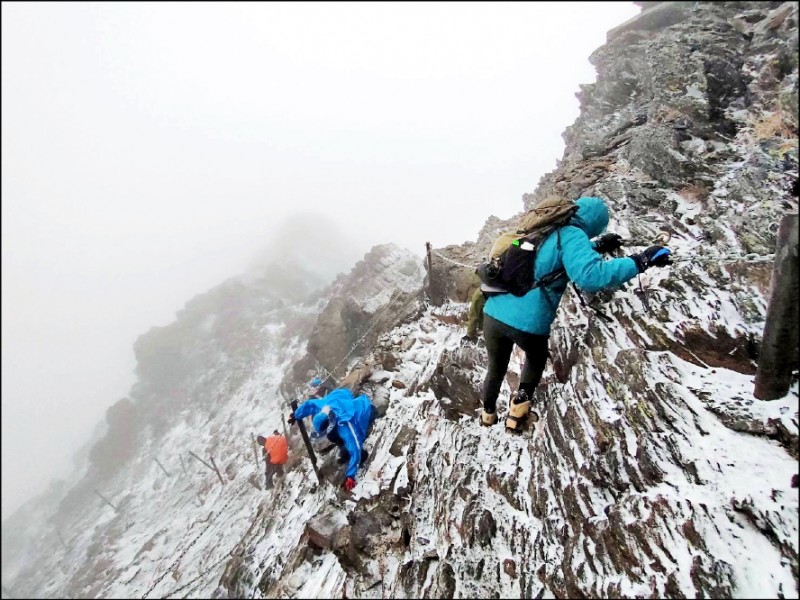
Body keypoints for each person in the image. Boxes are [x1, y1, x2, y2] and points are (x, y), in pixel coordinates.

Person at [479, 195, 672, 432]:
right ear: (594, 222)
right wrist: (640, 260)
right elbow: (591, 276)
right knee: (536, 358)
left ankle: (488, 415)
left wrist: (597, 245)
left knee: (495, 366)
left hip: (493, 313)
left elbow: (550, 256)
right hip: (527, 323)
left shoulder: (545, 230)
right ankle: (517, 411)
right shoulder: (572, 235)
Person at [288, 387, 376, 491]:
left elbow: (355, 448)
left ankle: (354, 452)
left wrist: (350, 476)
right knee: (331, 435)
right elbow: (310, 404)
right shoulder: (323, 407)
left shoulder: (344, 425)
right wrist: (296, 415)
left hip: (366, 410)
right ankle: (344, 447)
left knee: (351, 447)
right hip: (340, 397)